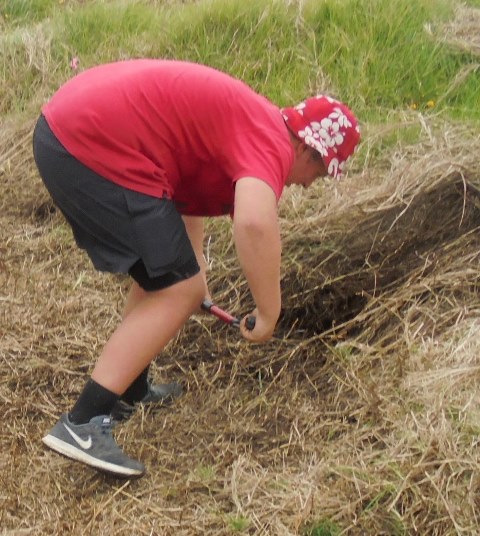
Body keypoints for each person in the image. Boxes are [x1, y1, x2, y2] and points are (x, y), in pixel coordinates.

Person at [33, 59, 360, 478]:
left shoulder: (254, 124)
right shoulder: (272, 145)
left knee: (170, 278)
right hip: (87, 143)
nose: (310, 183)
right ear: (307, 150)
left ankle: (129, 388)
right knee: (177, 289)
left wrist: (196, 266)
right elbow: (255, 224)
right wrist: (269, 311)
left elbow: (184, 189)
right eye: (320, 171)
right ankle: (82, 423)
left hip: (73, 129)